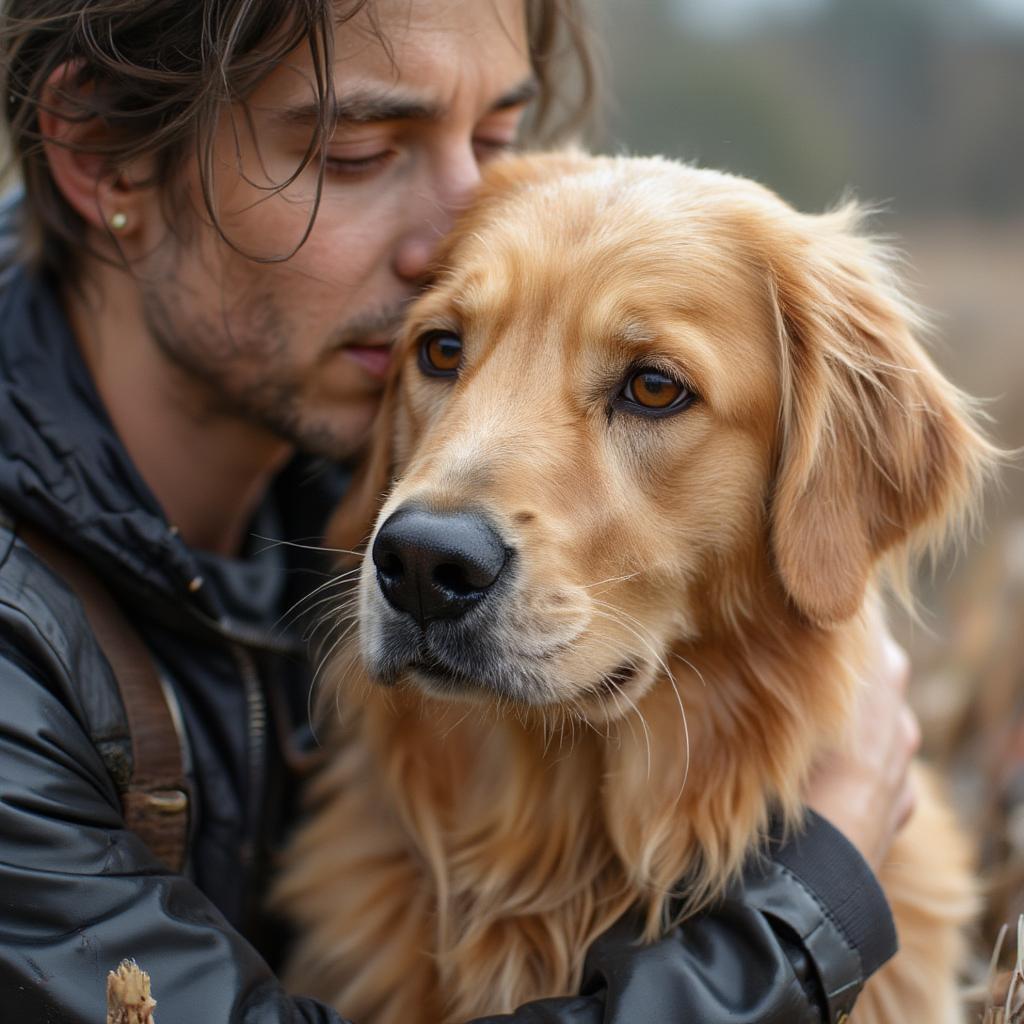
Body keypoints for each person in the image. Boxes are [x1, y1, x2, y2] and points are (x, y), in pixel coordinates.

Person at [0, 2, 919, 1021]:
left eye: (491, 137)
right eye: (357, 151)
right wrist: (802, 919)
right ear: (102, 156)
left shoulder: (323, 454)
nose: (459, 218)